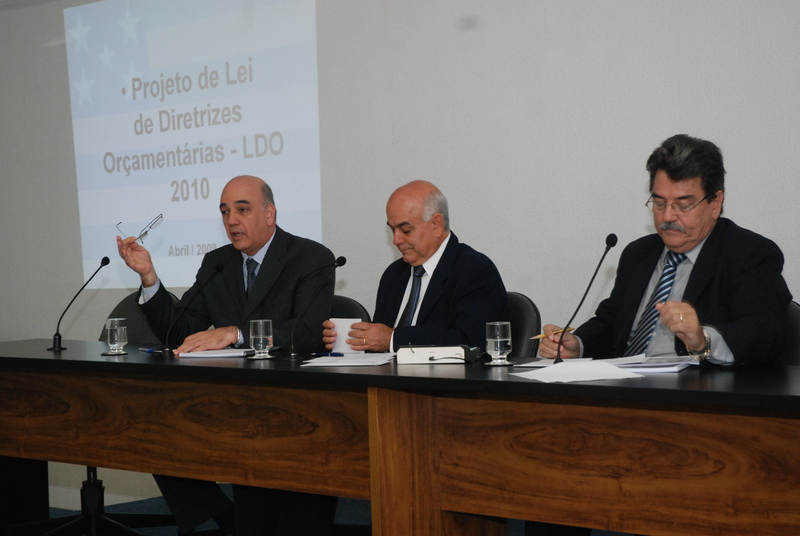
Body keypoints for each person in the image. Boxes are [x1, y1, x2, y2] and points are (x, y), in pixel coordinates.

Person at [531, 134, 792, 536]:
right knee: (547, 475)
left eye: (683, 204)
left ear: (716, 202)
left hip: (696, 422)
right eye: (658, 202)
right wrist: (576, 343)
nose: (668, 216)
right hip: (616, 409)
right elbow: (612, 321)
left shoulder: (749, 253)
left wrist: (703, 338)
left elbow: (766, 330)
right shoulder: (638, 253)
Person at [117, 175, 337, 536]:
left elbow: (307, 332)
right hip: (231, 397)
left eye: (242, 209)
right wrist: (149, 277)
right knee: (155, 426)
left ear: (270, 214)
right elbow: (178, 331)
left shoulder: (311, 258)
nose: (231, 220)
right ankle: (221, 516)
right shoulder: (218, 262)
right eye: (224, 211)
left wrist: (234, 333)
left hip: (291, 400)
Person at [323, 180, 509, 353]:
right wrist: (352, 341)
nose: (396, 240)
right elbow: (379, 343)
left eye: (406, 230)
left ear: (436, 224)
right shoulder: (394, 275)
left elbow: (471, 341)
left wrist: (393, 339)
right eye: (392, 229)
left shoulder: (474, 270)